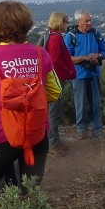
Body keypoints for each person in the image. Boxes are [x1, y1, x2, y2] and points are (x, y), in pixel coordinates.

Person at [0, 0, 61, 209]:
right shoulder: (40, 54)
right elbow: (55, 92)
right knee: (32, 196)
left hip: (3, 137)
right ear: (26, 24)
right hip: (37, 136)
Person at [66, 10, 105, 138]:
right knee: (80, 104)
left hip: (94, 73)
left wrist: (98, 56)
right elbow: (67, 57)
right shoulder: (70, 36)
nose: (89, 23)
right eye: (86, 20)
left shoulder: (96, 33)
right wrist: (84, 58)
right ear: (79, 21)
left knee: (96, 102)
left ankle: (97, 129)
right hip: (79, 75)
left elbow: (104, 52)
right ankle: (81, 130)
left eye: (90, 20)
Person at [43, 11, 76, 146]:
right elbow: (55, 60)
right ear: (60, 22)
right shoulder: (56, 38)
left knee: (54, 110)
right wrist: (68, 71)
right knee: (54, 110)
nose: (67, 24)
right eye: (66, 22)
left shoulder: (53, 36)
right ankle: (53, 141)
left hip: (56, 77)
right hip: (57, 78)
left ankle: (53, 139)